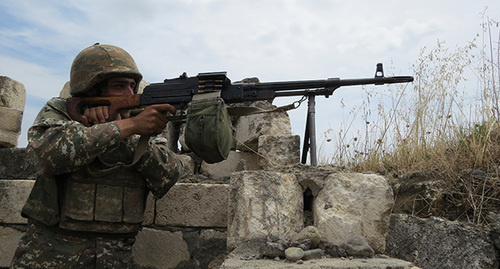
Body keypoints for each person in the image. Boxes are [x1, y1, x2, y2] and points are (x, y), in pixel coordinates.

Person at [10, 43, 182, 268]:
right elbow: (48, 154)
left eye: (132, 86)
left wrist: (130, 132)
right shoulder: (62, 109)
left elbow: (168, 176)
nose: (130, 94)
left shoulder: (143, 120)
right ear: (91, 89)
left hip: (115, 256)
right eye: (119, 86)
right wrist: (125, 127)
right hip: (52, 253)